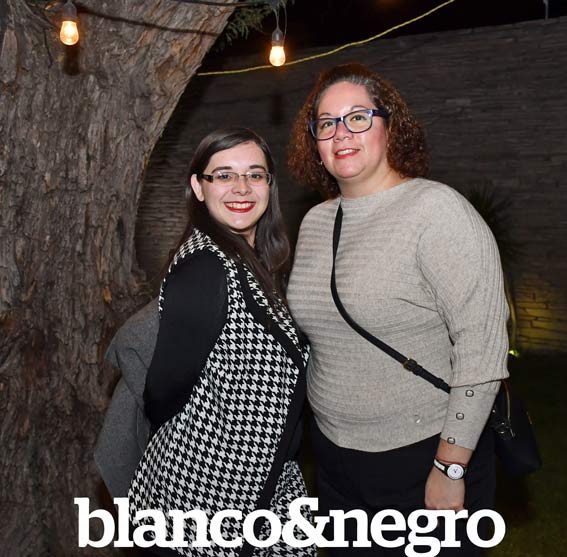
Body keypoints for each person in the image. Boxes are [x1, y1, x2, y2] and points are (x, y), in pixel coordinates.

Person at [286, 63, 509, 555]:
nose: (341, 134)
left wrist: (450, 467)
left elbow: (483, 347)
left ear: (390, 127)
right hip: (335, 460)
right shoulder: (316, 222)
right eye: (326, 123)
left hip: (425, 455)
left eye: (358, 118)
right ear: (314, 143)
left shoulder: (437, 211)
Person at [122, 128, 314, 557]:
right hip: (206, 494)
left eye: (255, 175)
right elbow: (163, 391)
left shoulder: (251, 261)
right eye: (224, 175)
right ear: (198, 186)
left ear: (269, 185)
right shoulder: (206, 267)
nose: (241, 188)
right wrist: (216, 443)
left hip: (258, 488)